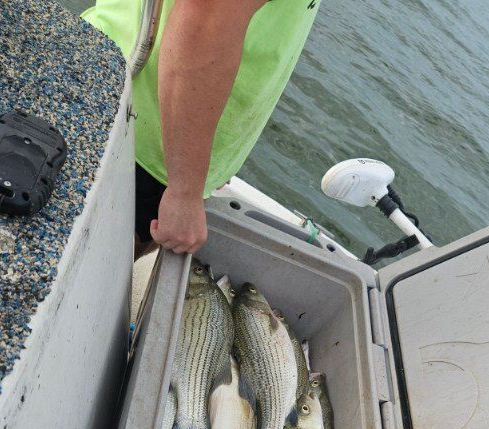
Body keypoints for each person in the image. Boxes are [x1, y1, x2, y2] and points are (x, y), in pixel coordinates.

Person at [82, 0, 321, 257]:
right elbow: (207, 14)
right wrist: (185, 189)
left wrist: (210, 162)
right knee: (99, 259)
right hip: (140, 137)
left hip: (117, 71)